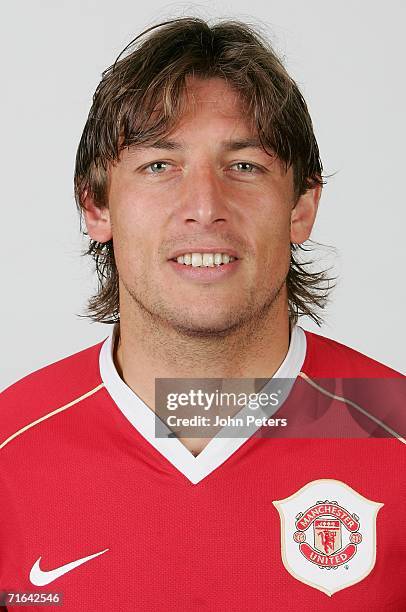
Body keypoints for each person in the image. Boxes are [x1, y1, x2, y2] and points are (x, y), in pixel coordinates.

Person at [0, 17, 404, 612]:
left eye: (245, 166)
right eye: (159, 165)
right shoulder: (10, 446)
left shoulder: (393, 430)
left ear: (302, 208)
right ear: (96, 207)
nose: (205, 207)